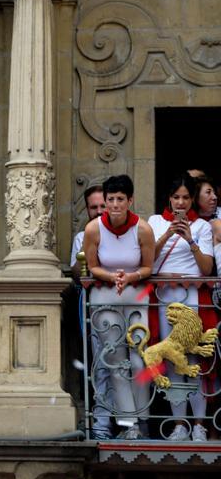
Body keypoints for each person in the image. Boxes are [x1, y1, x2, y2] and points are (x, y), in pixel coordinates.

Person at [82, 174, 154, 440]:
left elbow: (148, 266)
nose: (114, 205)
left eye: (120, 199)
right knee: (115, 361)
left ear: (130, 201)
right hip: (105, 296)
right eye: (110, 199)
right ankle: (128, 424)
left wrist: (131, 277)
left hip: (135, 296)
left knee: (138, 360)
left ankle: (144, 419)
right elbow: (92, 266)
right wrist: (112, 277)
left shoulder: (143, 229)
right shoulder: (94, 229)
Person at [148, 173, 214, 441]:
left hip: (191, 299)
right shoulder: (153, 223)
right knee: (174, 361)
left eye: (186, 197)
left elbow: (207, 269)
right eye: (176, 197)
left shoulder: (202, 227)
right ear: (169, 198)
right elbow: (145, 258)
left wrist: (190, 239)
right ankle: (178, 424)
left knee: (194, 360)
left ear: (192, 200)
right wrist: (167, 234)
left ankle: (199, 424)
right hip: (165, 299)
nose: (181, 203)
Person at [70, 185, 106, 271]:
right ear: (87, 209)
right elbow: (77, 277)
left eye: (103, 206)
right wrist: (87, 242)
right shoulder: (81, 237)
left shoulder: (123, 234)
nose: (99, 211)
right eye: (94, 207)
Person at [194, 174, 221, 274]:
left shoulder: (218, 218)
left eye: (214, 193)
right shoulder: (188, 221)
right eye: (208, 193)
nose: (214, 197)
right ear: (196, 197)